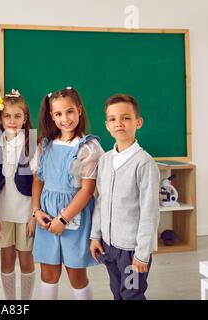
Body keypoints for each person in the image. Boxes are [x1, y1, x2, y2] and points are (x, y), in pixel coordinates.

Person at [32, 87, 104, 300]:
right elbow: (38, 180)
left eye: (70, 111)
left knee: (76, 274)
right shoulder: (45, 145)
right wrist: (36, 210)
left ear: (79, 110)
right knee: (48, 273)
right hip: (45, 215)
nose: (65, 118)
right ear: (52, 117)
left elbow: (87, 189)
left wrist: (63, 218)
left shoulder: (88, 147)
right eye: (59, 114)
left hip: (74, 216)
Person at [90, 94, 160, 300]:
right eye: (112, 119)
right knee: (117, 293)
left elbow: (150, 213)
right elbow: (101, 201)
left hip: (131, 251)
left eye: (125, 118)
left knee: (131, 295)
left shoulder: (144, 163)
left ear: (138, 122)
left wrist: (142, 253)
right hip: (110, 247)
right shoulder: (105, 160)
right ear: (107, 125)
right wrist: (95, 236)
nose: (118, 123)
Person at [0, 90, 36, 300]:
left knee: (25, 259)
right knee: (7, 259)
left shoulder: (32, 143)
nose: (12, 120)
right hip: (3, 212)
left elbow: (37, 183)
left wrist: (34, 215)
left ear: (25, 118)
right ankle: (11, 302)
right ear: (0, 118)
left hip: (26, 213)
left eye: (18, 116)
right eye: (7, 116)